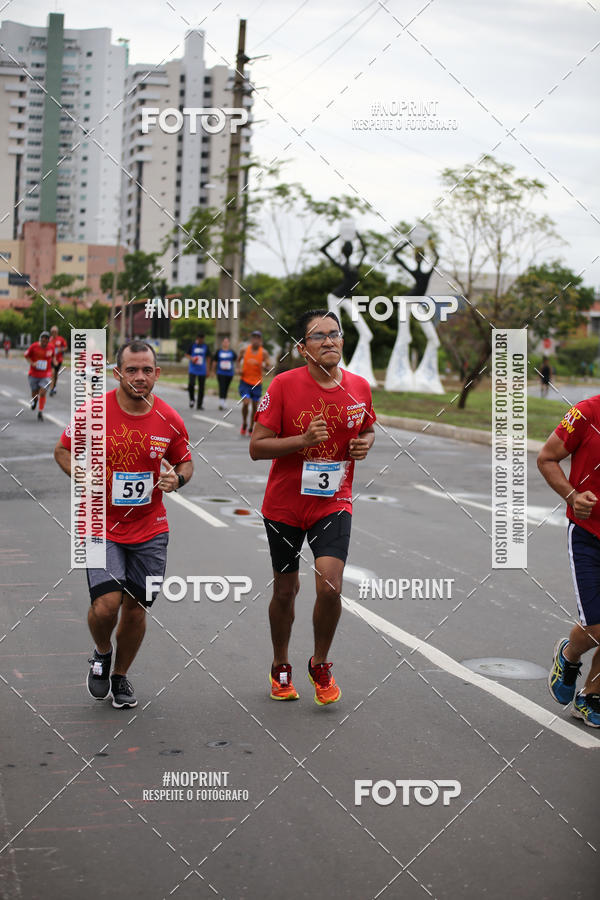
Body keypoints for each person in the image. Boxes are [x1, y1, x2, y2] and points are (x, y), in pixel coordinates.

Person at [54, 340, 193, 709]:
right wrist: (80, 474)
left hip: (150, 529)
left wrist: (177, 479)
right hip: (99, 523)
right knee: (106, 605)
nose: (139, 376)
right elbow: (63, 450)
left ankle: (120, 675)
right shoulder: (93, 412)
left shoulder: (169, 418)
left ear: (157, 374)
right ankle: (102, 652)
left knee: (135, 608)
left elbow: (185, 462)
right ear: (117, 373)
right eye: (131, 369)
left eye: (146, 370)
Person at [249, 309, 376, 705]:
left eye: (334, 333)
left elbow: (368, 428)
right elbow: (257, 447)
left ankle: (320, 663)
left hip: (333, 501)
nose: (329, 341)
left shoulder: (359, 387)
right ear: (303, 349)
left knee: (330, 584)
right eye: (318, 336)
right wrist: (302, 441)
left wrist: (364, 444)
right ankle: (280, 664)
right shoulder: (283, 385)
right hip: (284, 506)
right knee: (285, 590)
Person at [538, 400, 600, 727]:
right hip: (589, 535)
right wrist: (573, 496)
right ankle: (569, 656)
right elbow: (547, 458)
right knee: (597, 626)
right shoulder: (586, 413)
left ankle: (591, 695)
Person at [238, 330, 271, 436]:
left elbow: (269, 367)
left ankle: (251, 427)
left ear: (260, 340)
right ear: (251, 339)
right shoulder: (244, 350)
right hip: (245, 382)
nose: (255, 340)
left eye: (258, 338)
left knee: (254, 406)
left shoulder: (264, 353)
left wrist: (265, 367)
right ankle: (244, 423)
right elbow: (238, 360)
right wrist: (238, 369)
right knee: (246, 402)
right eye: (254, 337)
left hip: (257, 384)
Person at [24, 331, 54, 421]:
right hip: (33, 374)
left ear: (48, 341)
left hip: (45, 374)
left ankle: (40, 411)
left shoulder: (51, 348)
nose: (44, 342)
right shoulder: (34, 346)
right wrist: (32, 363)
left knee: (43, 392)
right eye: (43, 340)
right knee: (34, 392)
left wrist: (55, 362)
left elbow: (53, 356)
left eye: (46, 340)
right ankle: (35, 401)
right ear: (40, 339)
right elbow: (26, 356)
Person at [185, 333, 211, 410]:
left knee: (201, 387)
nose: (201, 341)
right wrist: (192, 358)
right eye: (200, 339)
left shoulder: (205, 346)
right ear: (197, 338)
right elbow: (186, 354)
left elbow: (208, 358)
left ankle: (199, 404)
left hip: (202, 369)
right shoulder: (192, 345)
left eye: (203, 339)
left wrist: (208, 369)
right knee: (191, 384)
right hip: (193, 369)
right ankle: (192, 399)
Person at [212, 336, 237, 410]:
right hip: (221, 372)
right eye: (224, 342)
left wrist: (237, 368)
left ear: (229, 343)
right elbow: (215, 361)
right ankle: (221, 401)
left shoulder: (232, 352)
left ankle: (224, 400)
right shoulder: (219, 351)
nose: (225, 343)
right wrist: (213, 371)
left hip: (229, 373)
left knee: (226, 387)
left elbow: (236, 360)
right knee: (222, 386)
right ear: (222, 343)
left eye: (227, 342)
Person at [48, 325, 68, 396]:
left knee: (56, 375)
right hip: (51, 359)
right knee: (52, 373)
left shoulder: (61, 339)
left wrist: (61, 350)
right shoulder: (49, 339)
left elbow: (66, 347)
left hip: (59, 360)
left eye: (55, 332)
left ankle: (54, 386)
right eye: (52, 332)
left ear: (57, 332)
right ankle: (51, 389)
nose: (54, 333)